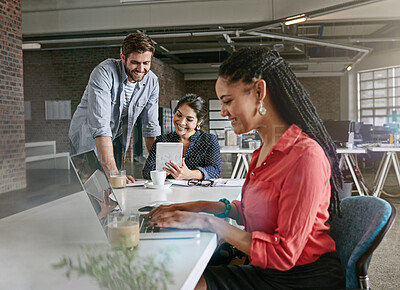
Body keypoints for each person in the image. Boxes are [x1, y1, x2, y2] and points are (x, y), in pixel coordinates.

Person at [147, 47, 346, 289]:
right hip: (266, 268)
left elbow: (283, 254)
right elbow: (256, 212)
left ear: (259, 92)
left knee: (177, 282)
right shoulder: (264, 150)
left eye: (228, 101)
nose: (222, 112)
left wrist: (208, 222)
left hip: (298, 279)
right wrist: (198, 206)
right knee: (173, 271)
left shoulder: (305, 156)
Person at [69, 32, 161, 183]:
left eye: (146, 63)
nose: (141, 69)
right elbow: (100, 127)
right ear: (123, 57)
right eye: (135, 62)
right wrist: (115, 175)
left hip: (115, 136)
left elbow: (151, 128)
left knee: (117, 188)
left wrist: (160, 168)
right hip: (86, 135)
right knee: (97, 190)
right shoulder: (104, 73)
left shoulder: (151, 81)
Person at [142, 93, 221, 180]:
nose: (181, 122)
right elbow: (147, 171)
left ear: (199, 122)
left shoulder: (209, 140)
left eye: (189, 119)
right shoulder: (162, 140)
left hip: (197, 191)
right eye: (179, 115)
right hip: (167, 191)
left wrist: (190, 174)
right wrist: (164, 172)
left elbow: (214, 170)